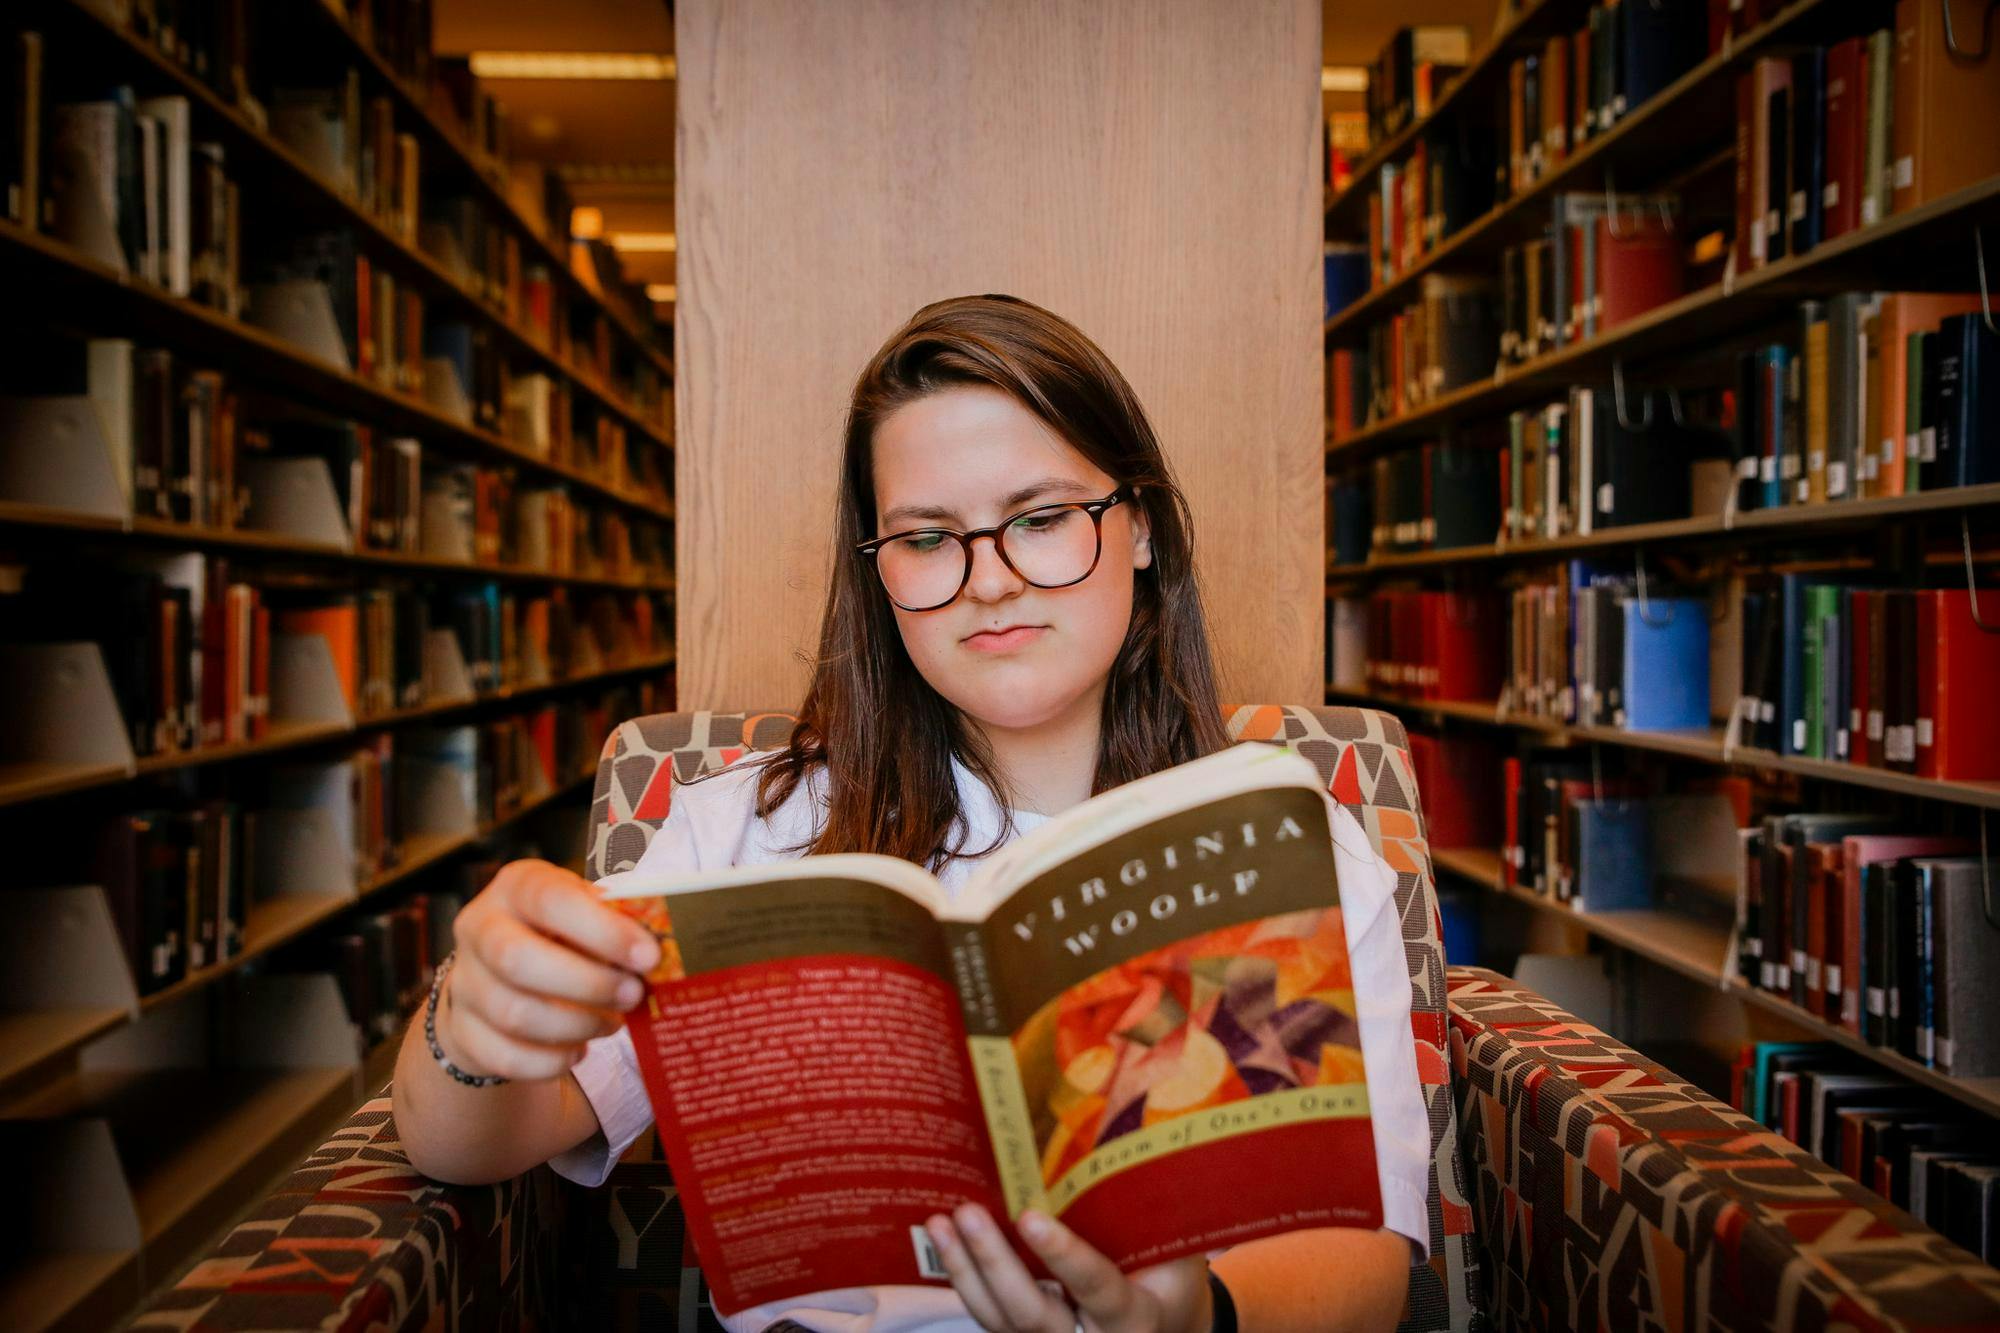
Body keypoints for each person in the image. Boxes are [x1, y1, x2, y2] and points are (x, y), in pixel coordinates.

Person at [393, 295, 1430, 1333]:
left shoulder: (1292, 847)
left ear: (1141, 525)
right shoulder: (736, 836)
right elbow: (466, 1146)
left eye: (1039, 517)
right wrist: (473, 1022)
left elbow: (1363, 1267)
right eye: (929, 538)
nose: (990, 582)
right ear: (877, 570)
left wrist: (1186, 1320)